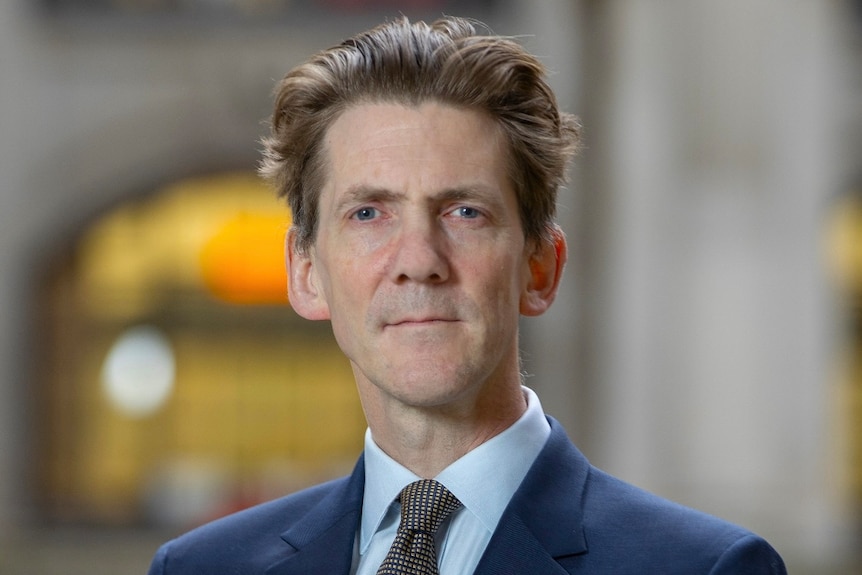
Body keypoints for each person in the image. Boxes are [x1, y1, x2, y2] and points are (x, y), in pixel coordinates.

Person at [147, 15, 787, 575]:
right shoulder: (203, 567)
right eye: (369, 213)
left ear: (540, 268)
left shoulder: (701, 568)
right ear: (306, 272)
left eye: (464, 213)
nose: (419, 261)